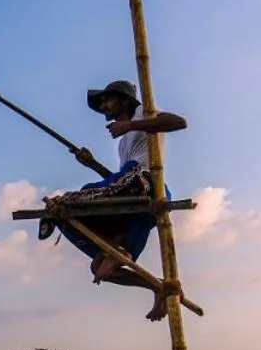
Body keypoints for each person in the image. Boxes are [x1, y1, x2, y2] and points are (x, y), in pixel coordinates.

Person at [40, 79, 187, 321]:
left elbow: (179, 122)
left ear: (124, 100)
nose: (103, 106)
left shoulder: (144, 112)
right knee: (101, 270)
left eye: (107, 100)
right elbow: (117, 184)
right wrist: (92, 164)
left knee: (69, 200)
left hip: (148, 185)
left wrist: (131, 124)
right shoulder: (123, 144)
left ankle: (115, 245)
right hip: (132, 195)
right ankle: (155, 285)